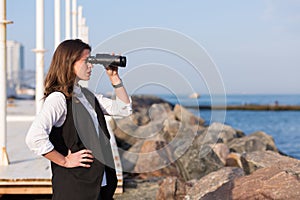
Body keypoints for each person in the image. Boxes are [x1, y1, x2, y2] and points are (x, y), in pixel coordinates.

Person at [26, 39, 132, 200]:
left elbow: (124, 109)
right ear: (69, 63)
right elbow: (34, 138)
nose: (91, 66)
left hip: (99, 185)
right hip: (75, 187)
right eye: (86, 61)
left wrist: (114, 78)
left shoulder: (87, 95)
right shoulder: (58, 99)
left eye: (91, 61)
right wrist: (64, 161)